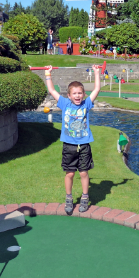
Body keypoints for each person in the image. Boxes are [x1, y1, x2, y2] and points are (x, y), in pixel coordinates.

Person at [44, 64, 101, 214]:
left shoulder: (87, 104)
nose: (77, 96)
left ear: (83, 94)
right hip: (69, 145)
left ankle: (84, 197)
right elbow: (51, 90)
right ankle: (68, 198)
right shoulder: (64, 103)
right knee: (69, 173)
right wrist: (48, 74)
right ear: (69, 95)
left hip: (84, 145)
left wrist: (96, 72)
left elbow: (96, 90)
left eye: (80, 93)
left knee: (83, 173)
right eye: (74, 93)